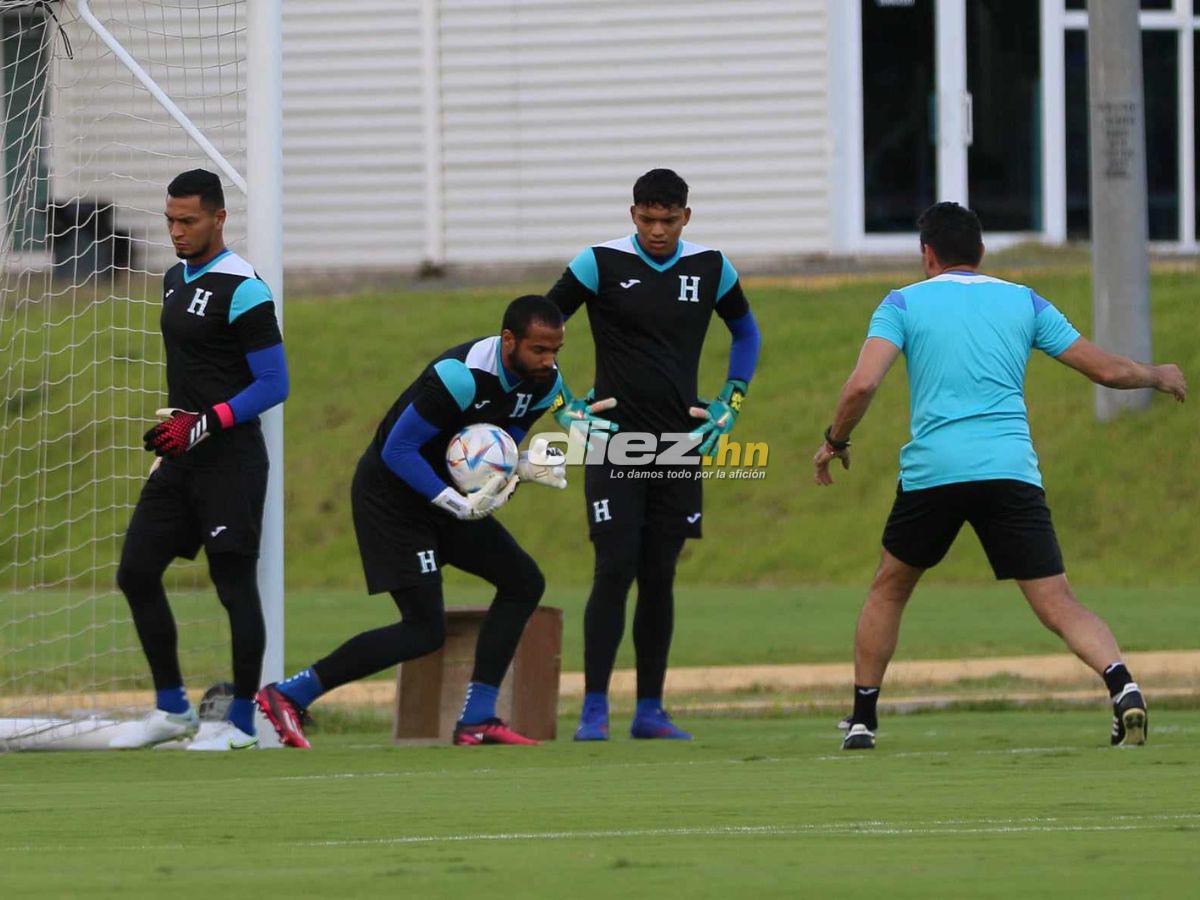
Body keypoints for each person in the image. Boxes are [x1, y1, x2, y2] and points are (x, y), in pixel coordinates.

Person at [813, 201, 1187, 751]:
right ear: (981, 253)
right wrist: (1158, 374)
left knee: (889, 589)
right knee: (1057, 602)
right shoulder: (1023, 300)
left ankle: (864, 720)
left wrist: (834, 441)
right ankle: (1122, 684)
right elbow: (1104, 369)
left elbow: (862, 385)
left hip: (934, 473)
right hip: (1009, 470)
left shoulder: (902, 303)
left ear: (927, 255)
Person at [257, 295, 579, 747]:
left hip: (442, 496)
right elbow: (398, 451)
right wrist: (455, 503)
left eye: (555, 351)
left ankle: (478, 718)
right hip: (391, 497)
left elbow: (496, 452)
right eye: (539, 350)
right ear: (509, 340)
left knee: (523, 580)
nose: (549, 362)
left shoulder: (544, 385)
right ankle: (289, 694)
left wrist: (518, 470)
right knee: (423, 629)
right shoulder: (459, 376)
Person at [546, 169, 762, 740]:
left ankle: (650, 710)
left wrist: (729, 403)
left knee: (659, 575)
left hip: (677, 443)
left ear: (687, 217)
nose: (658, 230)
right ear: (632, 214)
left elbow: (747, 334)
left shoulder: (711, 267)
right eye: (648, 219)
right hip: (612, 441)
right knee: (614, 569)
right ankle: (594, 708)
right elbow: (536, 327)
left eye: (669, 220)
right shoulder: (599, 263)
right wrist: (563, 405)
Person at [113, 169, 290, 751]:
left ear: (218, 218)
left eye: (187, 221)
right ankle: (172, 710)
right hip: (180, 457)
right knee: (135, 571)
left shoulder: (245, 288)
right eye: (169, 221)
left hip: (230, 459)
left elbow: (274, 383)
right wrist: (177, 436)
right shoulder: (173, 279)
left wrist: (204, 423)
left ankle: (241, 722)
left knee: (233, 583)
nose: (176, 232)